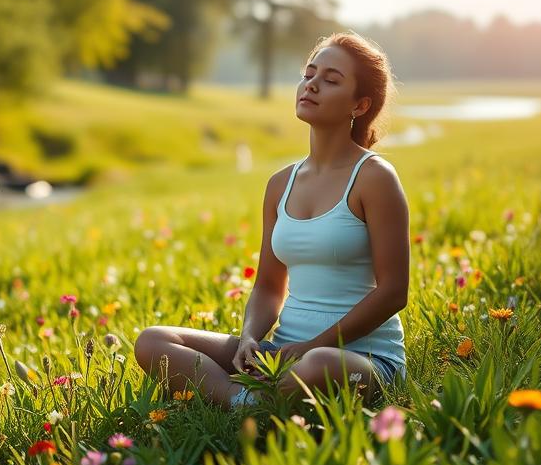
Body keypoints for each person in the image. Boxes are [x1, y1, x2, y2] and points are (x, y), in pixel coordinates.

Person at [134, 31, 409, 409]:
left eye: (330, 80)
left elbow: (394, 292)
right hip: (280, 353)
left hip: (361, 359)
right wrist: (249, 338)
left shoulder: (375, 177)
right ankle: (246, 402)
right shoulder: (281, 184)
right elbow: (267, 287)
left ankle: (244, 400)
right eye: (309, 73)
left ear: (359, 106)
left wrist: (309, 348)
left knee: (319, 365)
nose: (312, 84)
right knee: (153, 341)